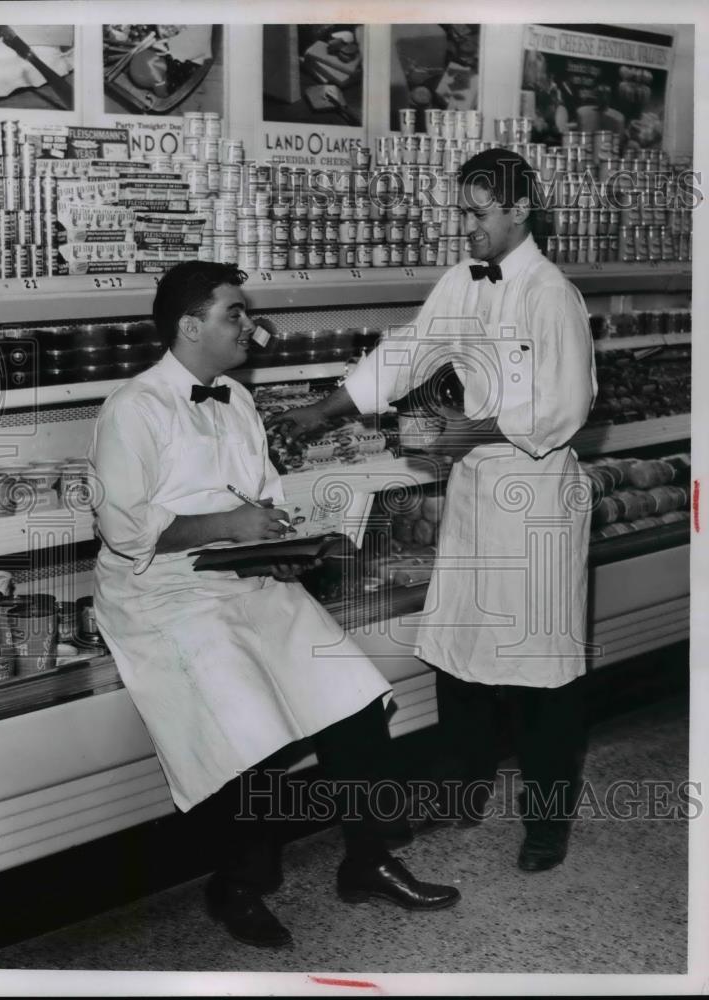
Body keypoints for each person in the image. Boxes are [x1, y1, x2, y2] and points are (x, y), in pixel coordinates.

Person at [88, 261, 459, 950]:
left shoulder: (235, 397)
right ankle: (238, 884)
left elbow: (261, 501)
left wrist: (293, 542)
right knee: (248, 724)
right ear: (190, 326)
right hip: (162, 592)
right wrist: (231, 526)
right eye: (236, 314)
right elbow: (124, 530)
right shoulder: (132, 409)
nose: (251, 328)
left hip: (245, 576)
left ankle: (368, 858)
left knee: (352, 695)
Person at [272, 148, 598, 873]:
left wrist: (464, 432)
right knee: (462, 655)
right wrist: (322, 409)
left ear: (520, 209)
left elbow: (564, 410)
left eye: (479, 214)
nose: (467, 228)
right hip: (479, 496)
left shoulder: (552, 296)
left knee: (544, 672)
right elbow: (409, 353)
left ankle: (547, 822)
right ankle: (461, 788)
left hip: (538, 501)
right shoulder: (461, 281)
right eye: (462, 213)